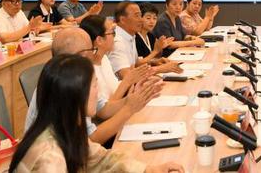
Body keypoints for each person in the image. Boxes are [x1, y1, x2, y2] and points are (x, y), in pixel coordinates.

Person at [10, 54, 184, 173]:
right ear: (75, 93)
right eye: (94, 85)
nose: (98, 91)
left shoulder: (63, 127)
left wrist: (149, 169)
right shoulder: (50, 159)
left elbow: (101, 159)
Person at [25, 27, 162, 146]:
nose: (94, 53)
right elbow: (91, 139)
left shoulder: (73, 76)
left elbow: (104, 109)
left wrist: (132, 99)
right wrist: (129, 108)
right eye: (92, 49)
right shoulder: (65, 86)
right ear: (81, 55)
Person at [80, 15, 150, 101]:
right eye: (112, 33)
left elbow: (114, 90)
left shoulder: (104, 59)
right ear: (99, 40)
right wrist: (127, 81)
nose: (115, 37)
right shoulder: (87, 69)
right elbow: (104, 107)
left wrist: (134, 83)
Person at [108, 1, 182, 81]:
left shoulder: (130, 36)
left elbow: (136, 64)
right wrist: (160, 69)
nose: (141, 20)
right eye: (137, 16)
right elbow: (127, 77)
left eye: (140, 15)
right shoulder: (118, 42)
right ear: (123, 20)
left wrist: (154, 62)